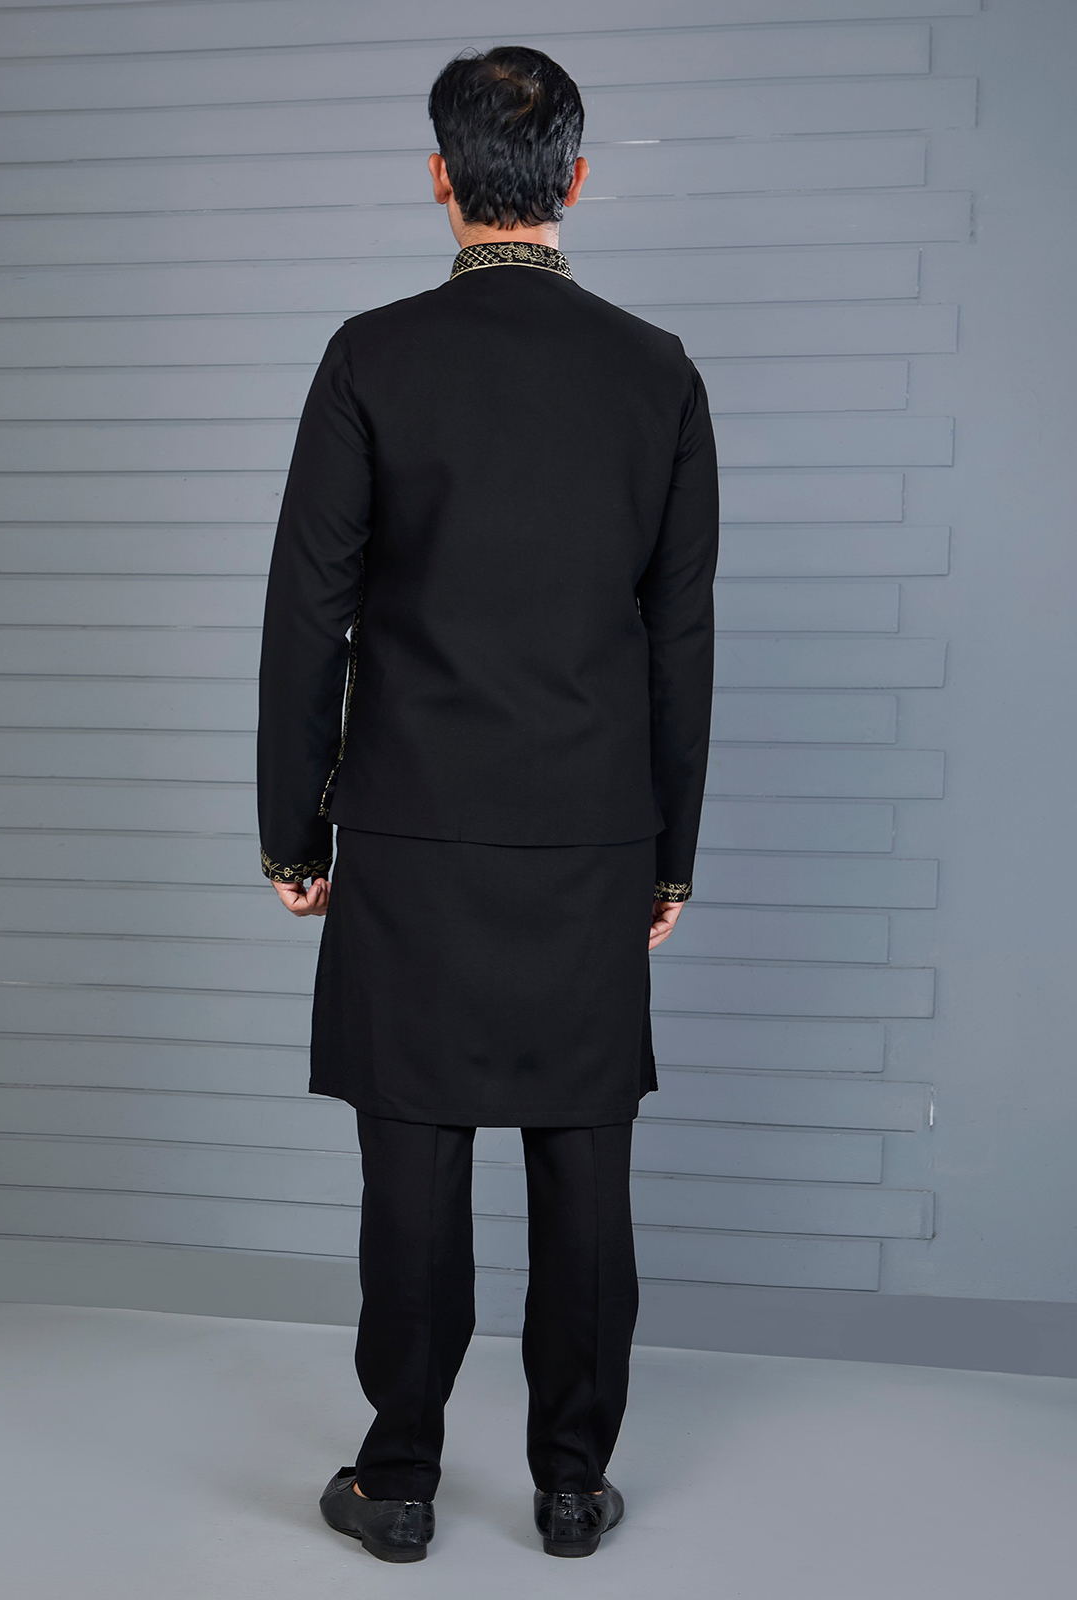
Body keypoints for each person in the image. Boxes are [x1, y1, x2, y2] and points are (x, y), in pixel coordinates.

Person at [256, 44, 718, 1564]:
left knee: (414, 1155)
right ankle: (573, 1483)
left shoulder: (370, 359)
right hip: (592, 834)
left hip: (410, 830)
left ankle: (398, 1479)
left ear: (440, 179)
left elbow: (307, 617)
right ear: (574, 177)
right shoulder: (657, 373)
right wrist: (669, 861)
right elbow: (680, 638)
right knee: (585, 1158)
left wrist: (291, 831)